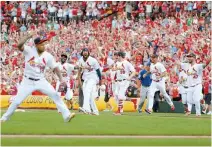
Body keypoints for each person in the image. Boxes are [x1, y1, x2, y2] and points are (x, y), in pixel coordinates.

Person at [0, 32, 75, 123]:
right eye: (42, 44)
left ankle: (67, 115)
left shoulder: (48, 56)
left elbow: (55, 67)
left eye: (44, 44)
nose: (44, 45)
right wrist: (27, 36)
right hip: (27, 81)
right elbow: (19, 45)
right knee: (16, 101)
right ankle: (5, 118)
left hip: (41, 80)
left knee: (55, 95)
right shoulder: (29, 50)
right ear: (36, 45)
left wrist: (61, 79)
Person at [78, 48, 102, 115]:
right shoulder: (80, 60)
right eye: (84, 51)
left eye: (86, 51)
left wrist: (100, 80)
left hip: (93, 77)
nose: (85, 53)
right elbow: (79, 71)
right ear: (82, 53)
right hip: (86, 78)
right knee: (90, 95)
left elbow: (98, 71)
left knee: (87, 91)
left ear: (88, 53)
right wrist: (79, 81)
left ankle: (86, 108)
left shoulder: (93, 60)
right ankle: (95, 111)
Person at [113, 51, 136, 115]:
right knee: (116, 96)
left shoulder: (127, 63)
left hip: (125, 80)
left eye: (117, 56)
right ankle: (132, 101)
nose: (116, 57)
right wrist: (117, 68)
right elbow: (113, 69)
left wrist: (130, 77)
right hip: (118, 81)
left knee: (120, 96)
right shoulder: (117, 63)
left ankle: (119, 111)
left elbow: (134, 71)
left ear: (120, 56)